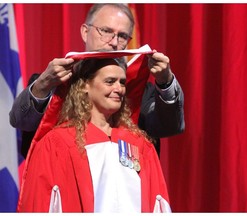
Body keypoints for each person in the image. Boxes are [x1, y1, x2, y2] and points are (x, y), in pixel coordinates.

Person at [9, 3, 185, 157]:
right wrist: (42, 85)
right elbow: (19, 121)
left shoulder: (139, 91)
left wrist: (166, 82)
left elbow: (170, 126)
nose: (114, 42)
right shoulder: (53, 83)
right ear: (85, 32)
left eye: (123, 36)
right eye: (106, 31)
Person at [17, 57, 170, 212]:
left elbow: (157, 203)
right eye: (110, 81)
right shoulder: (57, 143)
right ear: (85, 86)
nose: (119, 89)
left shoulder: (140, 145)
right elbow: (39, 203)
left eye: (122, 82)